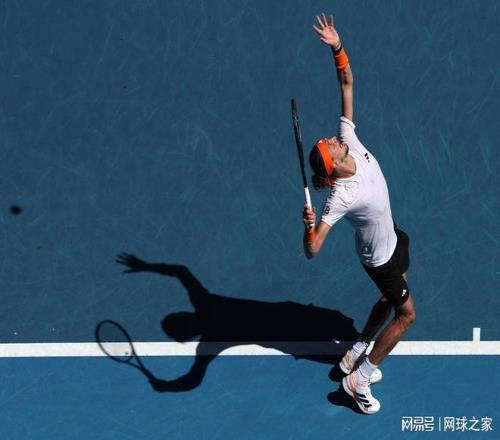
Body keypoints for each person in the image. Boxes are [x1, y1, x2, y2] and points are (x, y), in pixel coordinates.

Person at [304, 13, 416, 415]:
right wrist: (308, 228)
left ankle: (356, 350)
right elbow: (313, 249)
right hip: (377, 258)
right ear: (332, 165)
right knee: (406, 315)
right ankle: (359, 379)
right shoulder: (340, 196)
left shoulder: (348, 138)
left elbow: (347, 83)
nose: (331, 138)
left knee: (390, 298)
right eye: (328, 145)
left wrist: (337, 47)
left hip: (392, 236)